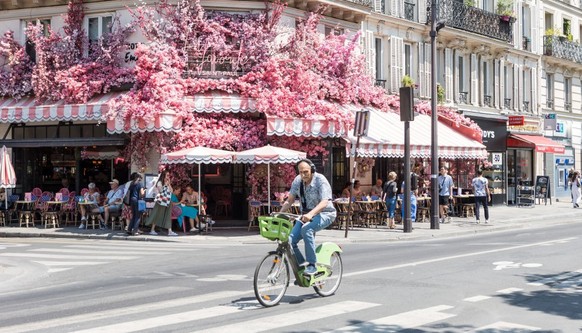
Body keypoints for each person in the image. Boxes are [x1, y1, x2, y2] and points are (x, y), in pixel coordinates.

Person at [280, 159, 336, 275]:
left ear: (312, 170)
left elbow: (324, 202)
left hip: (325, 213)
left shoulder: (320, 180)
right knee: (289, 241)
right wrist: (279, 214)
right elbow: (290, 200)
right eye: (300, 172)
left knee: (307, 229)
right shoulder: (298, 180)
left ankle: (312, 265)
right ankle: (301, 267)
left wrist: (311, 214)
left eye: (306, 172)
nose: (303, 175)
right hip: (305, 215)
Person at [145, 171, 177, 236]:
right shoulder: (160, 182)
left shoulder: (168, 183)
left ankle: (169, 231)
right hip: (161, 201)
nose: (168, 177)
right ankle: (152, 229)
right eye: (167, 175)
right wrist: (165, 184)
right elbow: (161, 191)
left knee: (168, 215)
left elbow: (171, 191)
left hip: (167, 200)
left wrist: (169, 184)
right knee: (157, 214)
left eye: (169, 175)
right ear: (164, 175)